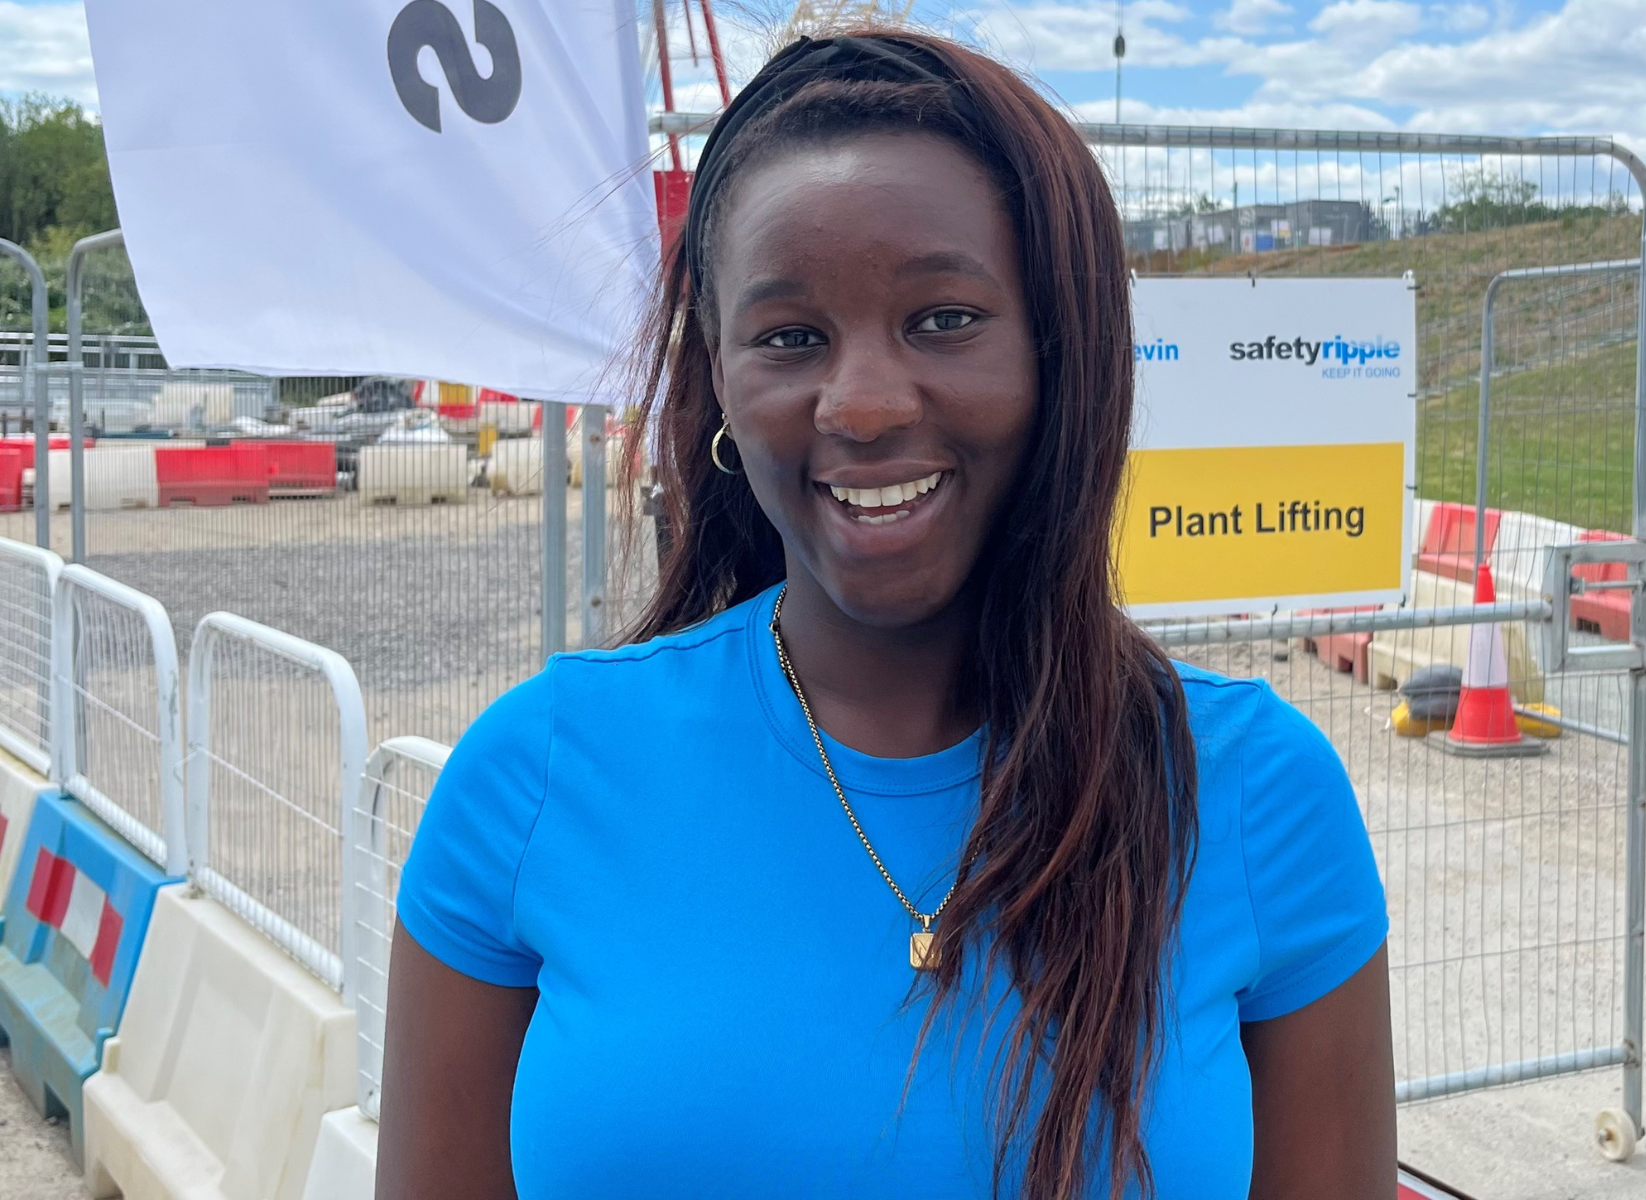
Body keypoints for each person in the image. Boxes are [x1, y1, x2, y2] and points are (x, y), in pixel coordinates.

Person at [379, 30, 1393, 1200]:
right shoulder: (534, 777)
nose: (859, 407)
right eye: (789, 337)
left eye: (942, 318)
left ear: (1061, 355)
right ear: (720, 380)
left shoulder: (1253, 795)